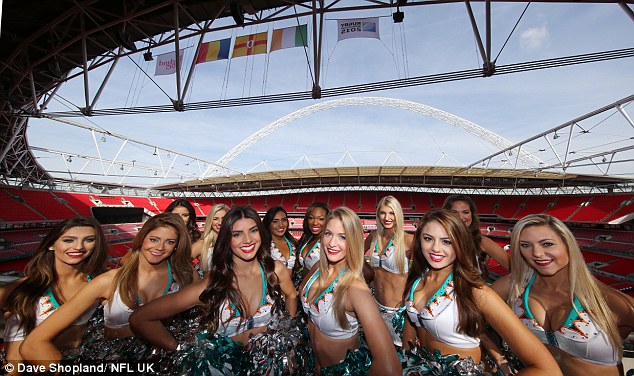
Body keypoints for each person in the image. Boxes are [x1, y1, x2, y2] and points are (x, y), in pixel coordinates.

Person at [128, 206, 298, 373]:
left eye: (253, 230)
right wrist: (181, 351)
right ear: (226, 239)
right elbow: (140, 318)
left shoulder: (275, 270)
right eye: (237, 234)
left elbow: (291, 295)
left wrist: (287, 334)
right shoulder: (213, 284)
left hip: (268, 366)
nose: (248, 240)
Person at [19, 213, 196, 366]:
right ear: (142, 238)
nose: (159, 247)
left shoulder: (185, 276)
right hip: (117, 361)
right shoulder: (108, 280)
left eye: (170, 242)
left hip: (168, 360)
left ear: (177, 246)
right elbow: (33, 343)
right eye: (154, 239)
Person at [401, 209, 560, 375]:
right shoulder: (417, 279)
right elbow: (410, 332)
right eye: (428, 239)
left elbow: (547, 369)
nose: (435, 248)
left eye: (446, 241)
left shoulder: (477, 292)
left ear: (460, 244)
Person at [491, 214, 634, 376]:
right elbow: (471, 315)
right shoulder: (515, 285)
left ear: (568, 244)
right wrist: (497, 354)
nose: (537, 253)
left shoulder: (609, 301)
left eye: (547, 244)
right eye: (525, 245)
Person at [300, 207, 401, 375]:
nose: (332, 243)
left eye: (342, 237)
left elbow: (391, 368)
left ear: (353, 241)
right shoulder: (316, 268)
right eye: (328, 234)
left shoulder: (356, 289)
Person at [0, 217, 107, 374]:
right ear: (51, 244)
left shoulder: (100, 282)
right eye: (69, 240)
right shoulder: (22, 288)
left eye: (89, 240)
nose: (79, 247)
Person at [363, 195, 414, 347]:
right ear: (378, 214)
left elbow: (424, 273)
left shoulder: (408, 240)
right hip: (374, 306)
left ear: (398, 214)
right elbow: (356, 256)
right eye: (383, 213)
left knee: (401, 359)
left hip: (398, 312)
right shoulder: (373, 236)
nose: (387, 217)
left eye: (392, 213)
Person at [442, 194, 511, 279]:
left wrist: (491, 290)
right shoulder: (437, 241)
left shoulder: (482, 242)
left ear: (472, 215)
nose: (460, 217)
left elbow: (515, 269)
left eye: (466, 212)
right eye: (454, 213)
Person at [191, 203, 229, 272]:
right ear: (210, 221)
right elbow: (180, 264)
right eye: (215, 219)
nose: (220, 222)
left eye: (224, 219)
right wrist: (196, 277)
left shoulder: (233, 242)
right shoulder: (202, 244)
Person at [263, 206, 298, 277]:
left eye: (284, 220)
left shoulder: (293, 243)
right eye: (275, 221)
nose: (281, 225)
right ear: (268, 223)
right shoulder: (263, 245)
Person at [297, 202, 329, 278]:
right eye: (311, 218)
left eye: (321, 219)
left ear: (328, 220)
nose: (315, 223)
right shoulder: (307, 238)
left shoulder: (328, 242)